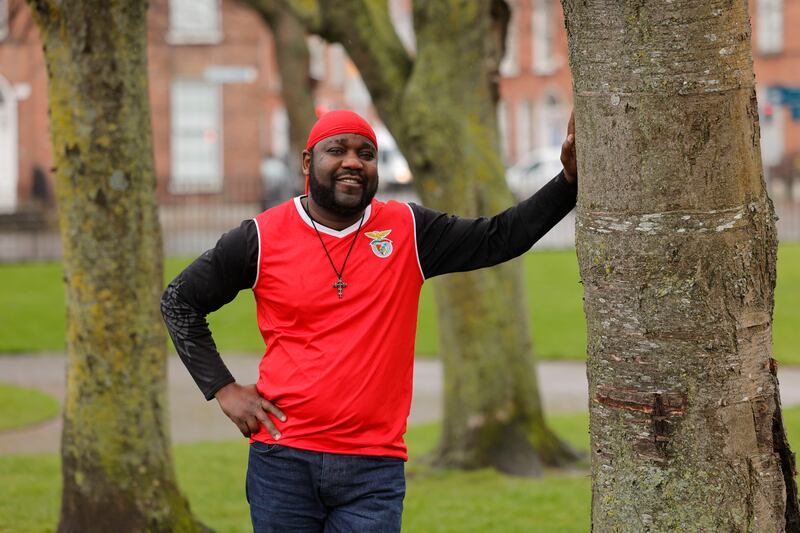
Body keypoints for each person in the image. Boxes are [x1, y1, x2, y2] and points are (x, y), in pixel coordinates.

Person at [161, 109, 578, 532]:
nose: (353, 162)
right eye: (337, 150)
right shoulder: (261, 237)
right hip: (283, 462)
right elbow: (179, 302)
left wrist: (567, 183)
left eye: (366, 153)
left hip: (372, 468)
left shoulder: (408, 229)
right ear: (308, 162)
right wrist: (224, 390)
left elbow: (500, 237)